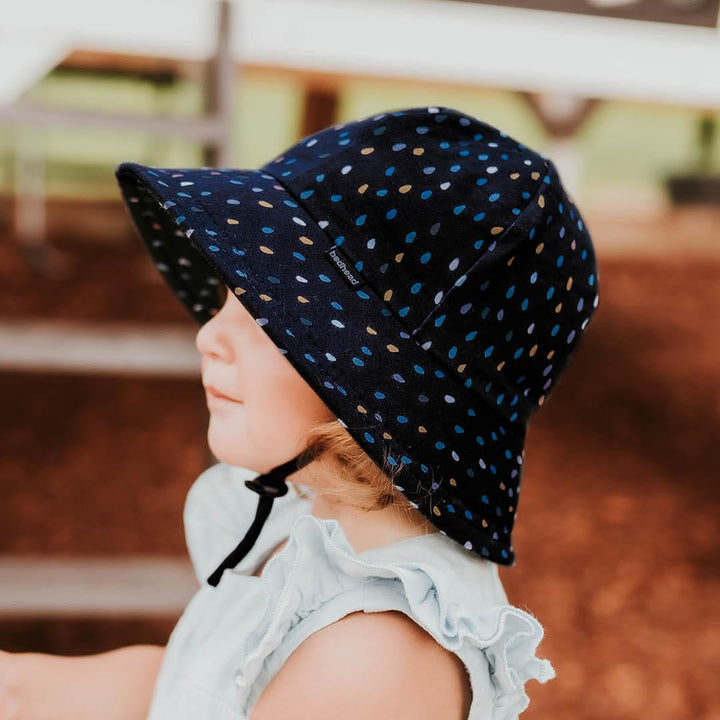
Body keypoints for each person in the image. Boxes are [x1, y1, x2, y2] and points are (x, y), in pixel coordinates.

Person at [0, 104, 599, 720]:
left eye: (269, 313)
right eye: (227, 294)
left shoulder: (373, 658)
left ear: (373, 383)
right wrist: (18, 688)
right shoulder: (314, 526)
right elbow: (198, 686)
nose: (209, 335)